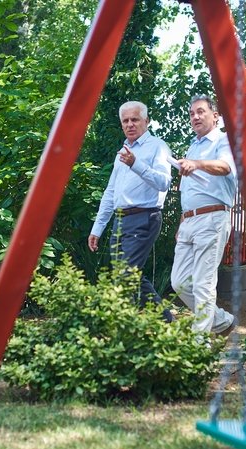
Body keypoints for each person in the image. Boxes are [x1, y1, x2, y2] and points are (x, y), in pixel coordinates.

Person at [89, 101, 175, 322]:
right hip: (120, 220)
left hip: (144, 217)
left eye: (135, 119)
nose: (130, 124)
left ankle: (137, 324)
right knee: (125, 275)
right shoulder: (122, 152)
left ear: (146, 121)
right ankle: (163, 323)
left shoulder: (158, 146)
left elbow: (164, 182)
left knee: (127, 274)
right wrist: (97, 228)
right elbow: (111, 192)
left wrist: (136, 164)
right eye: (125, 121)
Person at [170, 95, 237, 336]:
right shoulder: (193, 146)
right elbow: (190, 190)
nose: (195, 117)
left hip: (212, 218)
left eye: (200, 112)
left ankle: (200, 345)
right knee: (179, 282)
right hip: (189, 221)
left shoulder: (223, 140)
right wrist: (182, 221)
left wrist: (197, 164)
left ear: (215, 116)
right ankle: (222, 322)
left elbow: (225, 167)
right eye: (192, 114)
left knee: (203, 283)